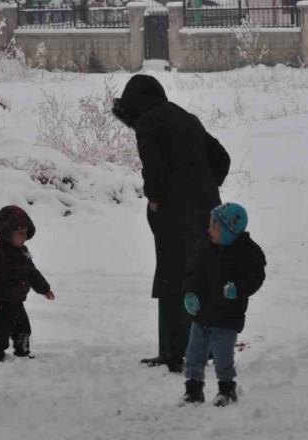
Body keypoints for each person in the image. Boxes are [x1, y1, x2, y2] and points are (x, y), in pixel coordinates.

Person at [112, 75, 231, 373]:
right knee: (202, 274)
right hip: (206, 210)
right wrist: (205, 187)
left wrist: (154, 199)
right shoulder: (186, 117)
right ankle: (209, 348)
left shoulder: (148, 122)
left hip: (173, 213)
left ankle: (174, 352)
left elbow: (153, 168)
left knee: (171, 278)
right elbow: (222, 157)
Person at [180, 202, 266, 406]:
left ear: (229, 232)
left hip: (228, 315)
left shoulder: (248, 252)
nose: (209, 229)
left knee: (222, 354)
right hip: (202, 312)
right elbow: (192, 272)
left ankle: (227, 390)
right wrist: (190, 293)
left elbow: (255, 277)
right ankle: (193, 389)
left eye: (214, 226)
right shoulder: (205, 244)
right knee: (194, 351)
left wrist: (238, 289)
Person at [0, 205, 55, 363]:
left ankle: (23, 351)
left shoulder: (23, 251)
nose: (24, 237)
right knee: (1, 332)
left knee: (24, 329)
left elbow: (32, 273)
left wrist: (45, 289)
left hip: (16, 302)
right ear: (7, 232)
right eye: (20, 233)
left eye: (25, 233)